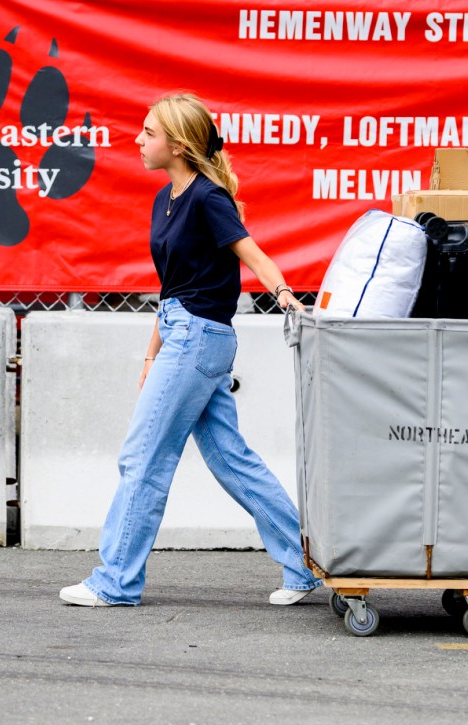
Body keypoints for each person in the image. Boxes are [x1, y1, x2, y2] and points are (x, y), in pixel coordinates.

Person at [60, 92, 320, 607]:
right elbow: (172, 287)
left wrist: (284, 293)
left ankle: (115, 583)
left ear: (178, 146)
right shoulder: (166, 199)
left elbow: (252, 254)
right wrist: (151, 354)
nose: (138, 139)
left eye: (149, 133)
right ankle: (305, 563)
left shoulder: (208, 197)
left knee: (144, 458)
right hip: (183, 335)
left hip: (199, 340)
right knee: (231, 460)